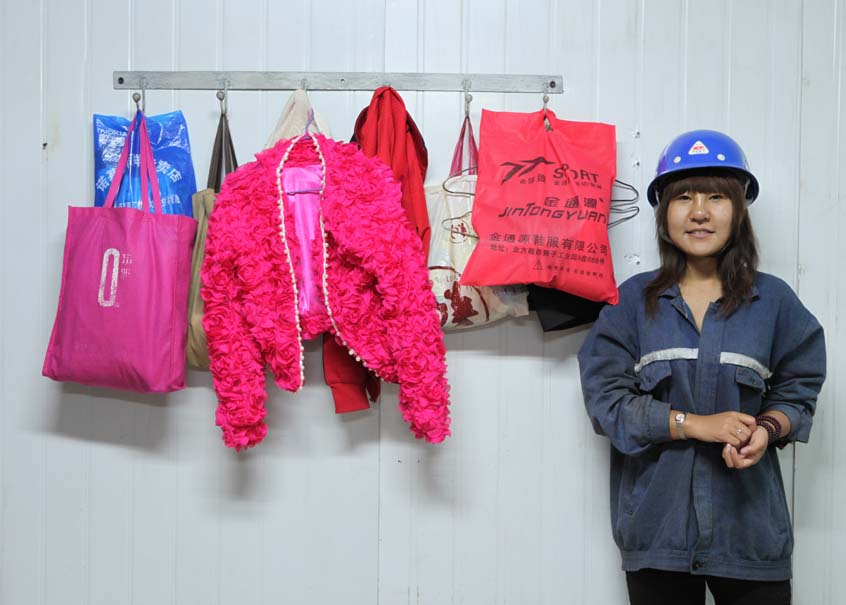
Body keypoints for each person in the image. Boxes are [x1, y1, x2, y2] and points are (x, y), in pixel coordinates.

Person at [577, 130, 826, 605]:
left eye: (716, 197)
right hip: (657, 533)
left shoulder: (774, 302)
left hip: (749, 535)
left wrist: (768, 429)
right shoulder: (631, 303)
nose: (699, 212)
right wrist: (692, 424)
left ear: (739, 210)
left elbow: (799, 388)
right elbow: (607, 402)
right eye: (684, 197)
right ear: (663, 211)